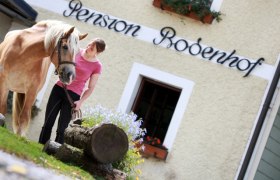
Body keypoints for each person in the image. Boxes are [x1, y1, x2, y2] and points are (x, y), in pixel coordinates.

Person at [39, 38, 106, 144]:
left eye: (92, 48)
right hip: (59, 89)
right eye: (89, 45)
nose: (88, 48)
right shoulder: (76, 51)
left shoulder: (97, 66)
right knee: (48, 122)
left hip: (73, 97)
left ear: (98, 52)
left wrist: (80, 102)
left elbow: (91, 87)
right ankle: (39, 148)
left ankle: (55, 152)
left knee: (62, 129)